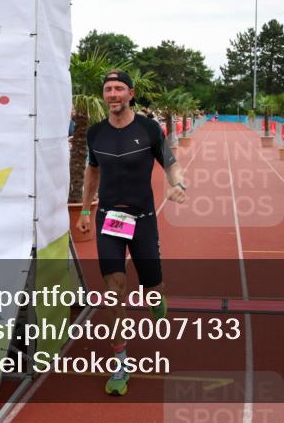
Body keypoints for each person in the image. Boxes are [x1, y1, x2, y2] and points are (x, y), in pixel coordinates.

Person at [75, 70, 187, 396]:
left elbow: (170, 162)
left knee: (153, 287)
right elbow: (92, 172)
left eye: (119, 88)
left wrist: (178, 184)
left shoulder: (149, 129)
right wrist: (85, 210)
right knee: (114, 291)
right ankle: (120, 364)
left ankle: (157, 297)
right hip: (110, 219)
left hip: (143, 219)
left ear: (130, 94)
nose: (112, 94)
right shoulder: (95, 133)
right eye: (108, 89)